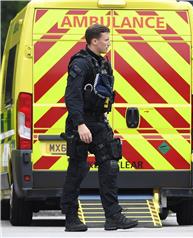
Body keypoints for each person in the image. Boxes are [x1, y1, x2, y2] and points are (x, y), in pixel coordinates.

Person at [60, 24, 138, 232]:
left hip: (98, 121)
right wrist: (80, 124)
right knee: (77, 169)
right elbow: (72, 96)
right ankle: (70, 218)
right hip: (82, 122)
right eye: (105, 40)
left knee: (110, 164)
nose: (108, 43)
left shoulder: (103, 63)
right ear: (94, 41)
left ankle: (113, 216)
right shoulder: (80, 63)